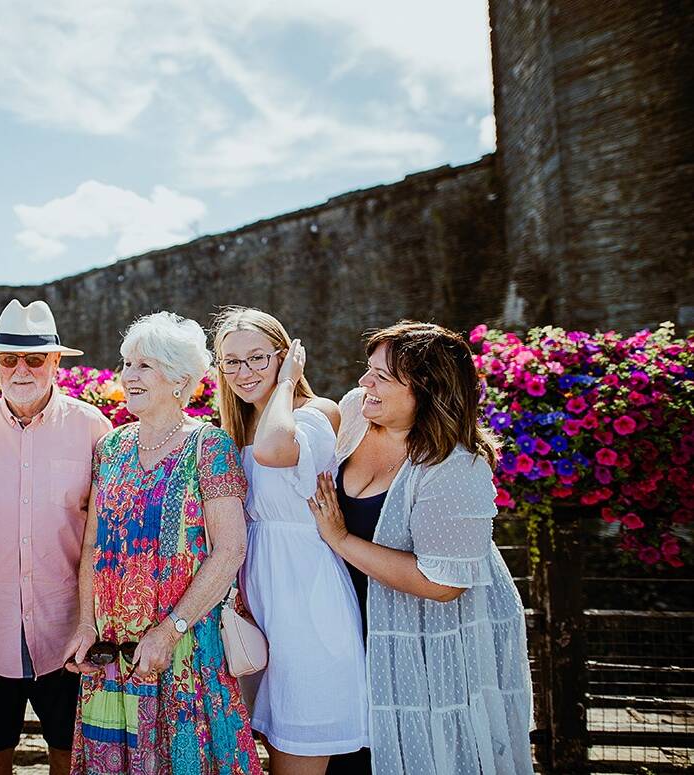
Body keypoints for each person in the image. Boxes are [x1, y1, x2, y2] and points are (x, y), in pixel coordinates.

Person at [308, 321, 534, 775]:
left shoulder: (456, 465)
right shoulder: (355, 413)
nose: (363, 383)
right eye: (367, 370)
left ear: (426, 389)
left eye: (381, 377)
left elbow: (443, 583)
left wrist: (340, 539)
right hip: (349, 628)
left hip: (425, 641)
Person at [65, 311, 263, 775]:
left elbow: (230, 549)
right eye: (127, 364)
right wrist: (85, 625)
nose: (128, 376)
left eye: (144, 366)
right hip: (114, 657)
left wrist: (169, 631)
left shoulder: (207, 446)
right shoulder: (110, 448)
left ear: (180, 380)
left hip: (183, 652)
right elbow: (94, 546)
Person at [0, 299, 112, 775]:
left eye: (35, 358)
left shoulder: (93, 429)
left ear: (56, 362)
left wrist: (92, 619)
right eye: (7, 359)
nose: (20, 369)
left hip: (68, 629)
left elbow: (105, 534)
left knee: (70, 752)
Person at [212, 307, 368, 774]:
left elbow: (274, 449)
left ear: (285, 356)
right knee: (264, 742)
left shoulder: (315, 413)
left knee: (299, 738)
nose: (244, 372)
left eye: (258, 358)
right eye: (231, 362)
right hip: (259, 601)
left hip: (307, 600)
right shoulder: (232, 433)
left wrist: (285, 383)